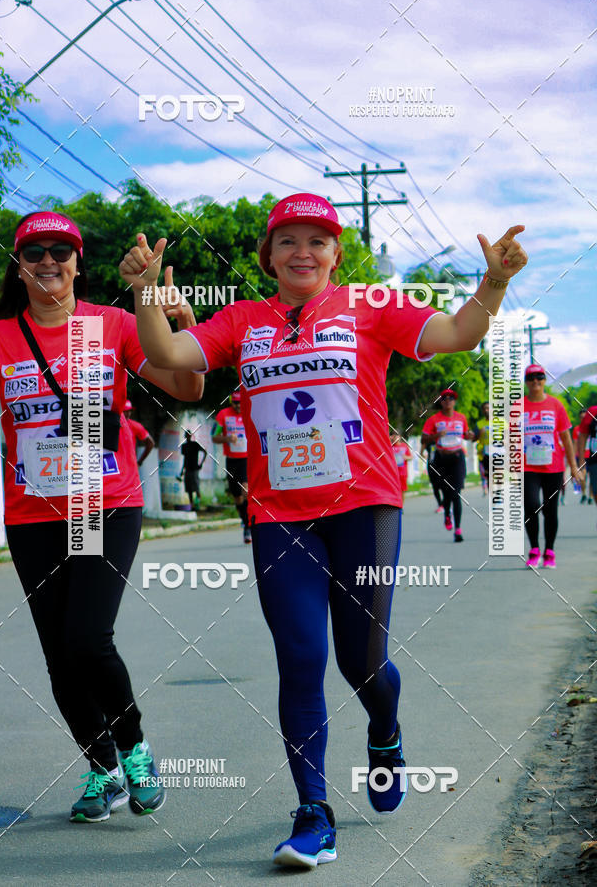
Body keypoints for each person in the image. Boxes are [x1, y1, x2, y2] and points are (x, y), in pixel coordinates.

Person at [122, 194, 527, 869]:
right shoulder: (242, 320)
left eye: (317, 240)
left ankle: (385, 728)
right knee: (301, 657)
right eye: (288, 241)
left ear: (337, 253)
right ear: (268, 256)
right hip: (280, 516)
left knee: (360, 661)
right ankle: (313, 812)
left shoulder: (371, 306)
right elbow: (165, 350)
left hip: (365, 506)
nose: (302, 252)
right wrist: (143, 294)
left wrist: (494, 282)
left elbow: (459, 334)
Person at [0, 212, 203, 823]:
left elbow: (188, 389)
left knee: (88, 638)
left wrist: (183, 329)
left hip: (103, 504)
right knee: (60, 658)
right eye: (35, 251)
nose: (48, 261)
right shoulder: (1, 336)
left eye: (61, 251)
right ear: (18, 265)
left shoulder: (111, 325)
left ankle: (135, 749)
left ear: (78, 263)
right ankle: (102, 768)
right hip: (32, 512)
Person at [523, 363, 580, 568]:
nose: (535, 381)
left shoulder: (556, 405)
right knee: (531, 506)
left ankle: (549, 550)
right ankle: (534, 549)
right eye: (531, 378)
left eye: (539, 377)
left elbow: (566, 438)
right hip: (527, 467)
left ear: (545, 380)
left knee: (550, 510)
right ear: (526, 382)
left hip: (553, 467)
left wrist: (573, 467)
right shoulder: (517, 407)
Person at [421, 390, 475, 542]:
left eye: (451, 398)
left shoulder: (461, 418)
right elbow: (423, 439)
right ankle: (446, 514)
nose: (448, 401)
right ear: (441, 402)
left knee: (456, 493)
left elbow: (466, 434)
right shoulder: (434, 419)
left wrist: (470, 435)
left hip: (457, 458)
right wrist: (436, 435)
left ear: (454, 401)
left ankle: (458, 529)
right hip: (441, 459)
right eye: (444, 398)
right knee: (446, 492)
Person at [212, 390, 250, 542]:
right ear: (231, 402)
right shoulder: (223, 415)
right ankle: (244, 519)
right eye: (235, 403)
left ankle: (248, 527)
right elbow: (214, 437)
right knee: (237, 497)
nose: (238, 406)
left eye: (240, 403)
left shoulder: (249, 411)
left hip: (246, 458)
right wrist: (227, 438)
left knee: (245, 490)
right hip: (231, 460)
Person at [179, 429, 207, 510]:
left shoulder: (195, 444)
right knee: (189, 489)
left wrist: (201, 464)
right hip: (187, 469)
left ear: (191, 436)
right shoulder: (184, 446)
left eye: (189, 435)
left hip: (195, 469)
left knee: (196, 487)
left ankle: (198, 504)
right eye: (186, 435)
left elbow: (205, 452)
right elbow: (185, 459)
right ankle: (191, 506)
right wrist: (182, 471)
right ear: (185, 436)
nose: (187, 436)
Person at [577, 404, 597, 511]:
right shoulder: (592, 411)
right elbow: (582, 436)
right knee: (595, 490)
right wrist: (581, 460)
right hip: (594, 459)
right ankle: (587, 494)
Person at [123, 400, 155, 467]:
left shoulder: (135, 426)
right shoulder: (111, 425)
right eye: (125, 411)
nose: (128, 413)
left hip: (130, 466)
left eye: (130, 411)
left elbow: (150, 443)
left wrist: (140, 462)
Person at [572, 412, 592, 504]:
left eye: (585, 417)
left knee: (592, 477)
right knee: (583, 477)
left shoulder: (593, 427)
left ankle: (591, 496)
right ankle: (584, 494)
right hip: (580, 456)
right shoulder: (577, 429)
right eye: (581, 417)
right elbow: (575, 443)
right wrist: (573, 457)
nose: (583, 419)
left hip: (591, 456)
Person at [474, 401, 490, 496]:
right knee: (486, 475)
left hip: (499, 455)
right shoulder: (479, 424)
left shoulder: (502, 423)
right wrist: (480, 433)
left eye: (488, 408)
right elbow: (473, 439)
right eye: (484, 409)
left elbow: (509, 436)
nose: (486, 410)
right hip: (484, 455)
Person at [390, 431, 412, 497]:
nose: (395, 437)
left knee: (403, 490)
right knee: (394, 490)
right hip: (393, 473)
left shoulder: (404, 446)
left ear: (399, 437)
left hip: (403, 473)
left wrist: (406, 457)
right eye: (393, 435)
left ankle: (401, 503)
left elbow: (410, 457)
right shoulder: (389, 446)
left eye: (396, 435)